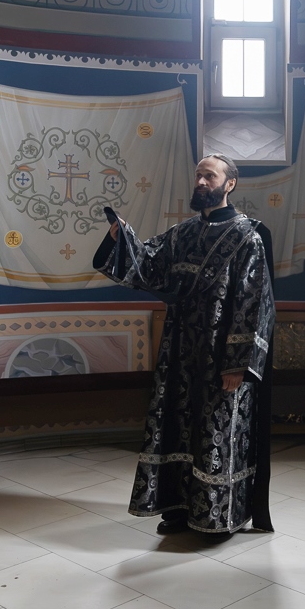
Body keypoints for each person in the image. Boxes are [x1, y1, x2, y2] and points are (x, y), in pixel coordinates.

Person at [93, 153, 276, 535]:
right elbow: (148, 266)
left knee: (215, 432)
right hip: (179, 351)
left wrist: (237, 363)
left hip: (220, 356)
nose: (201, 182)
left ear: (230, 184)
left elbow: (254, 302)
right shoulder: (182, 234)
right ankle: (177, 508)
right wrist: (122, 238)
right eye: (198, 175)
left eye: (210, 176)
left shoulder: (247, 237)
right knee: (176, 427)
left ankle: (217, 516)